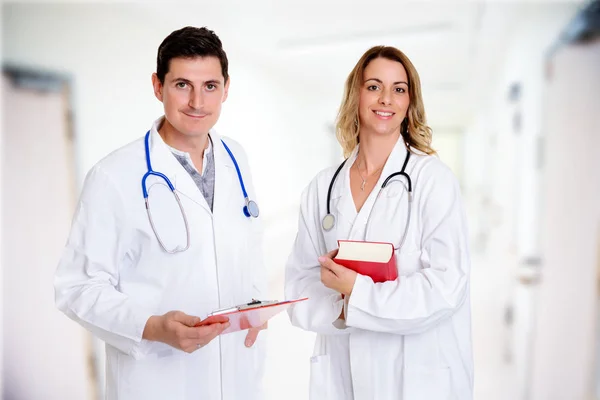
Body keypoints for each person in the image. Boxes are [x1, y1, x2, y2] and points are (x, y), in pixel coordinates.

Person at [54, 26, 266, 400]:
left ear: (226, 88)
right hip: (157, 380)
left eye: (210, 86)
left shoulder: (237, 158)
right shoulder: (114, 175)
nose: (197, 102)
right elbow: (78, 288)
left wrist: (254, 307)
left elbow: (243, 251)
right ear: (158, 86)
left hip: (235, 374)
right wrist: (152, 327)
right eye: (182, 84)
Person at [284, 45, 473, 399]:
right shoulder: (322, 188)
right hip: (342, 376)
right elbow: (299, 286)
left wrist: (357, 293)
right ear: (356, 94)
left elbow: (447, 286)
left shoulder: (433, 180)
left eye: (399, 89)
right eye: (374, 86)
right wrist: (342, 307)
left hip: (415, 376)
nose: (386, 99)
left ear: (409, 102)